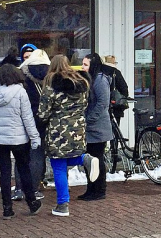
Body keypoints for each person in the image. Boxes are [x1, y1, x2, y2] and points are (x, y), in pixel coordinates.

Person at [37, 55, 100, 217]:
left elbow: (43, 113)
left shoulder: (51, 85)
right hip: (78, 128)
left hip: (58, 131)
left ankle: (63, 204)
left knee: (57, 165)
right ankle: (84, 159)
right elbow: (86, 105)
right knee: (66, 160)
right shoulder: (82, 83)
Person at [0, 64, 42, 219]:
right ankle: (32, 202)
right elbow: (27, 118)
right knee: (24, 169)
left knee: (4, 172)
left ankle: (7, 208)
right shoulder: (20, 92)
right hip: (18, 138)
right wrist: (34, 137)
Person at [12, 49, 51, 201]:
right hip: (42, 119)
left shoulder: (21, 73)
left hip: (23, 118)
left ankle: (19, 189)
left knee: (21, 154)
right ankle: (33, 189)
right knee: (37, 154)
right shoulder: (51, 74)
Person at [79, 53, 113, 201]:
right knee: (90, 160)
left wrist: (88, 119)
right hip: (90, 127)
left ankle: (99, 190)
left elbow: (102, 104)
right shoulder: (90, 79)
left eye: (85, 64)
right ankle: (91, 188)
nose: (82, 67)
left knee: (97, 159)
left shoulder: (100, 80)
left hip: (98, 128)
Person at [103, 55, 130, 126]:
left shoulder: (101, 72)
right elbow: (124, 88)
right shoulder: (116, 72)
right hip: (115, 107)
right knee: (115, 129)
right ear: (113, 63)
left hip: (103, 107)